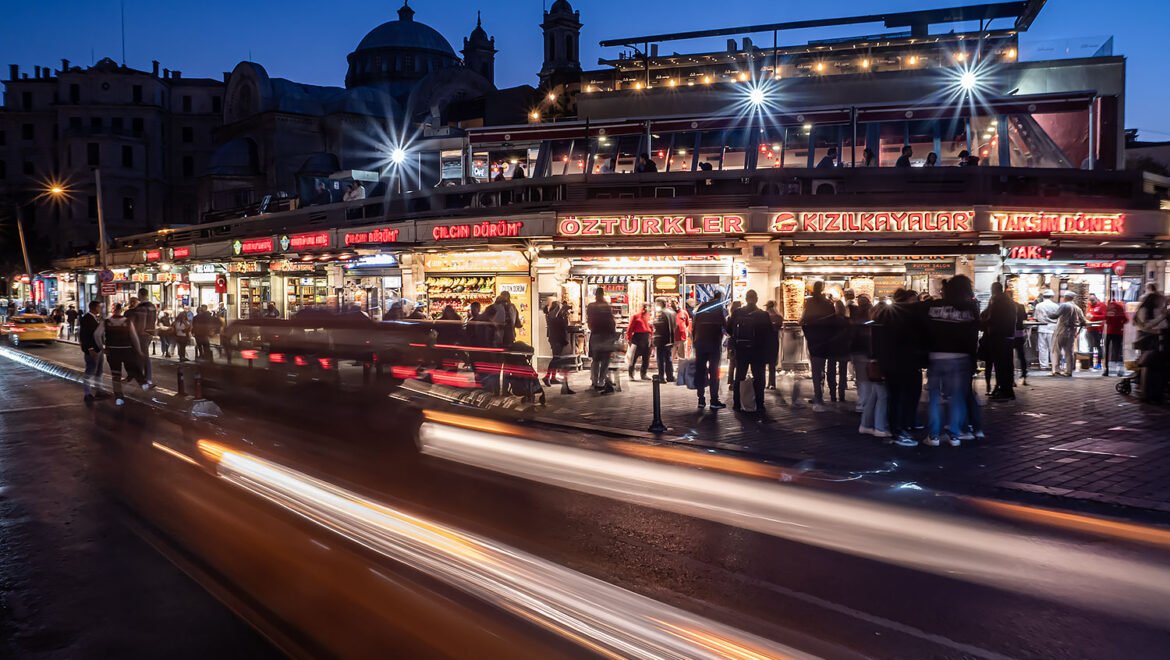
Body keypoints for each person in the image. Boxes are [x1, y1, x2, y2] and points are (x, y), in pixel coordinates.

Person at [921, 275, 979, 446]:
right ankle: (954, 435)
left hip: (936, 355)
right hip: (961, 357)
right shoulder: (970, 308)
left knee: (934, 397)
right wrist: (973, 360)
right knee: (957, 397)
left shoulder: (933, 306)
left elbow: (924, 330)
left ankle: (934, 436)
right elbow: (973, 337)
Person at [728, 290, 773, 415]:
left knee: (739, 376)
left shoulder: (737, 313)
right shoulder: (763, 315)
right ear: (757, 299)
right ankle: (759, 403)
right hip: (758, 351)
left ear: (746, 299)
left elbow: (728, 329)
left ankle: (737, 403)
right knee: (759, 378)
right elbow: (769, 334)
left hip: (741, 350)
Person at [95, 302, 149, 405]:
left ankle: (119, 397)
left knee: (116, 375)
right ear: (121, 310)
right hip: (126, 350)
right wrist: (138, 350)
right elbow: (134, 337)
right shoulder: (127, 322)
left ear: (113, 310)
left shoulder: (106, 322)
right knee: (133, 368)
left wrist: (102, 348)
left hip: (112, 351)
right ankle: (143, 383)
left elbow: (97, 335)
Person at [801, 281, 838, 411]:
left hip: (815, 341)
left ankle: (819, 397)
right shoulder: (829, 303)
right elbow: (835, 320)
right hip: (830, 340)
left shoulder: (810, 302)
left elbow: (803, 320)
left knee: (817, 370)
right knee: (831, 369)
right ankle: (833, 395)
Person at [861, 301, 892, 439]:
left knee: (874, 395)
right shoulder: (882, 327)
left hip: (870, 362)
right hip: (879, 362)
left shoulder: (869, 325)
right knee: (883, 396)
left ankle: (866, 424)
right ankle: (879, 427)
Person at [691, 292, 727, 410]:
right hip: (713, 344)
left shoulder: (701, 306)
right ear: (720, 298)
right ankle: (714, 400)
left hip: (700, 343)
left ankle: (701, 400)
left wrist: (694, 342)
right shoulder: (719, 308)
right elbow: (725, 326)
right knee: (714, 372)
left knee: (700, 371)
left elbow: (694, 326)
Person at [982, 281, 1017, 400]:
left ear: (994, 290)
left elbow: (991, 317)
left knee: (1000, 364)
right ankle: (1005, 389)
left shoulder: (997, 300)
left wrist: (981, 324)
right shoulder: (1009, 301)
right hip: (1008, 335)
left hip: (999, 336)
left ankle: (1003, 390)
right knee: (1006, 364)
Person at [586, 288, 617, 394]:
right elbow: (612, 321)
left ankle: (595, 382)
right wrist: (613, 335)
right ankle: (601, 381)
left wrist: (592, 328)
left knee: (596, 360)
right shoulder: (607, 306)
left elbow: (589, 320)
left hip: (596, 334)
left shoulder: (591, 306)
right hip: (606, 335)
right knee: (604, 360)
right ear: (603, 294)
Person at [125, 287, 158, 385]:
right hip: (149, 333)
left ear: (140, 295)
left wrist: (135, 334)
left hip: (141, 334)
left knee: (142, 355)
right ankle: (141, 377)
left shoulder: (141, 308)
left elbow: (141, 323)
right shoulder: (152, 306)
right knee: (142, 355)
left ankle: (145, 378)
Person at [847, 292, 873, 412]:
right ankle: (864, 402)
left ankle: (862, 401)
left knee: (861, 378)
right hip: (867, 350)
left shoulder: (855, 316)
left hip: (856, 350)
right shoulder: (871, 316)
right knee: (867, 378)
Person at [1052, 291, 1086, 377]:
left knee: (1056, 350)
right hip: (1071, 332)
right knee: (1069, 352)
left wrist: (1046, 315)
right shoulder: (1077, 308)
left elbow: (1055, 315)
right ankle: (1069, 371)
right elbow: (1083, 321)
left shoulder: (1064, 305)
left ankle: (1056, 370)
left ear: (1066, 297)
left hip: (1061, 330)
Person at [543, 300, 574, 393]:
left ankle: (552, 377)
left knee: (557, 358)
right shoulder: (551, 316)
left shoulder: (557, 315)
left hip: (558, 338)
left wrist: (564, 312)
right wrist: (560, 309)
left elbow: (564, 325)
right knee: (556, 359)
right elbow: (557, 322)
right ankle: (547, 377)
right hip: (556, 339)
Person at [79, 300, 105, 402]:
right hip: (92, 351)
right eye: (99, 307)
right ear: (94, 308)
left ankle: (99, 391)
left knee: (99, 371)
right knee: (90, 372)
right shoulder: (86, 319)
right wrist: (90, 349)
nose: (100, 309)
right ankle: (88, 393)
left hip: (98, 349)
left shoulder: (94, 318)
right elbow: (84, 336)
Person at [1033, 290, 1060, 371]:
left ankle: (1043, 365)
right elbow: (1058, 317)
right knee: (1053, 348)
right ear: (1052, 296)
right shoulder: (1055, 306)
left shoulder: (1038, 306)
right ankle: (1054, 365)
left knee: (1042, 348)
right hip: (1052, 328)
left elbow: (1036, 317)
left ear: (1043, 297)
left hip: (1042, 328)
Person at [626, 303, 653, 381]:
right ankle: (631, 374)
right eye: (645, 307)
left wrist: (651, 340)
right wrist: (629, 339)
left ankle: (643, 374)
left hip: (646, 338)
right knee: (633, 358)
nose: (646, 309)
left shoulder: (648, 317)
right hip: (637, 338)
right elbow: (630, 328)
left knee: (646, 358)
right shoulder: (636, 316)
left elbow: (651, 329)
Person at [652, 298, 677, 382]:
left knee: (660, 359)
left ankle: (661, 377)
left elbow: (659, 325)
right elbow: (675, 326)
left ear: (660, 303)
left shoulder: (661, 313)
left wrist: (653, 322)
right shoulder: (672, 312)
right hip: (670, 339)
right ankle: (670, 376)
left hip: (661, 339)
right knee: (668, 359)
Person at [1103, 294, 1128, 376]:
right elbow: (1126, 320)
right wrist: (1120, 325)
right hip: (1118, 332)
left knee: (1107, 351)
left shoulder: (1108, 308)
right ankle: (1120, 370)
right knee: (1118, 350)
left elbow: (1106, 320)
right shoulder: (1120, 308)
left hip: (1109, 332)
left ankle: (1106, 370)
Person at [1011, 292, 1029, 386]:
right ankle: (1024, 376)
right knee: (1021, 356)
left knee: (1009, 357)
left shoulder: (1005, 307)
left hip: (1009, 334)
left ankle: (1012, 379)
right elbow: (1025, 317)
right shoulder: (1020, 306)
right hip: (1019, 333)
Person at [1085, 293, 1107, 370]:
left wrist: (1094, 316)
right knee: (1090, 347)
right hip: (1089, 329)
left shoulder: (1102, 305)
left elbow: (1105, 316)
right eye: (1090, 300)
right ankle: (1090, 364)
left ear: (1096, 298)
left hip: (1098, 329)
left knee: (1098, 346)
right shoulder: (1088, 305)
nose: (1091, 302)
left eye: (1093, 300)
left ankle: (1099, 364)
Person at [764, 300, 782, 390]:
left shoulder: (764, 316)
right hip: (774, 341)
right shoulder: (779, 316)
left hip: (765, 341)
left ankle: (764, 383)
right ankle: (772, 383)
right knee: (772, 364)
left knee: (763, 363)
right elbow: (779, 327)